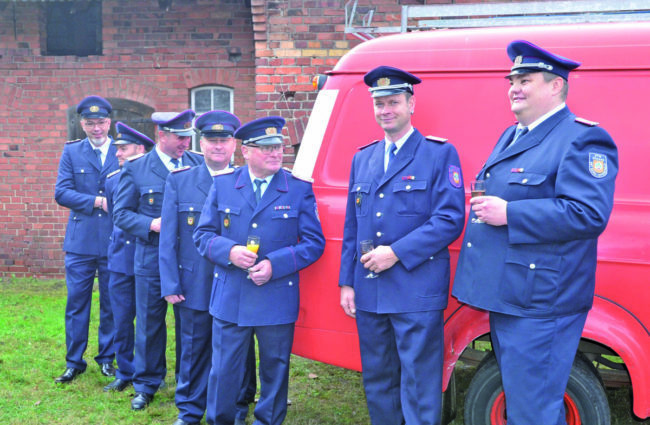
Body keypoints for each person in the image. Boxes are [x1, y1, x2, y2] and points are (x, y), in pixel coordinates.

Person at [452, 40, 618, 425]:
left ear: (556, 85)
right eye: (512, 80)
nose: (514, 87)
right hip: (513, 295)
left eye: (525, 80)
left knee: (533, 409)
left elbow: (588, 214)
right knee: (526, 404)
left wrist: (511, 212)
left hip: (543, 302)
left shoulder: (582, 138)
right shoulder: (513, 134)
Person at [338, 66, 466, 425]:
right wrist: (347, 281)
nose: (385, 110)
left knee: (418, 382)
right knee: (378, 380)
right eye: (379, 104)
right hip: (370, 289)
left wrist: (395, 253)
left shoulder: (438, 154)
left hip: (416, 290)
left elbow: (449, 220)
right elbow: (353, 224)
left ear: (411, 104)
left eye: (393, 101)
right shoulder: (362, 158)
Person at [193, 116, 325, 425]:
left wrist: (275, 264)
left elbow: (314, 243)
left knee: (274, 370)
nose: (275, 153)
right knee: (223, 370)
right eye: (265, 148)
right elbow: (202, 235)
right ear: (246, 151)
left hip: (275, 296)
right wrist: (229, 251)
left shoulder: (297, 188)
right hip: (231, 296)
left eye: (278, 147)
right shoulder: (225, 185)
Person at [160, 111, 256, 425]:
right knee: (192, 347)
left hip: (235, 280)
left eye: (224, 140)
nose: (218, 147)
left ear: (235, 144)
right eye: (211, 141)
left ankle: (238, 406)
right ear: (202, 143)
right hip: (193, 282)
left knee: (237, 352)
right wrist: (170, 284)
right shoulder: (180, 180)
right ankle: (189, 410)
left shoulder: (248, 180)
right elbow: (169, 237)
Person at [113, 109, 204, 410]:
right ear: (161, 136)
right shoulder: (137, 169)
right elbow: (122, 213)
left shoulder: (198, 165)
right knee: (150, 323)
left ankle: (188, 381)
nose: (185, 143)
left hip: (189, 259)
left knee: (189, 324)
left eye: (188, 137)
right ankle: (147, 383)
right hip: (151, 257)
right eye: (179, 137)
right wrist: (151, 225)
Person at [54, 95, 118, 383]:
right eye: (90, 123)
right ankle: (73, 361)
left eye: (101, 122)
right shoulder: (72, 152)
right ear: (82, 123)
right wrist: (95, 201)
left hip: (115, 239)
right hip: (80, 242)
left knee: (111, 302)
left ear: (110, 122)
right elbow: (62, 192)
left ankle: (107, 358)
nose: (96, 129)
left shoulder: (123, 151)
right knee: (77, 302)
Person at [103, 122, 154, 392]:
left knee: (148, 321)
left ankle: (147, 373)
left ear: (141, 149)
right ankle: (125, 370)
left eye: (123, 149)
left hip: (147, 254)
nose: (118, 154)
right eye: (117, 149)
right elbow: (117, 218)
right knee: (122, 318)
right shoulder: (112, 180)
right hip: (121, 258)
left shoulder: (158, 177)